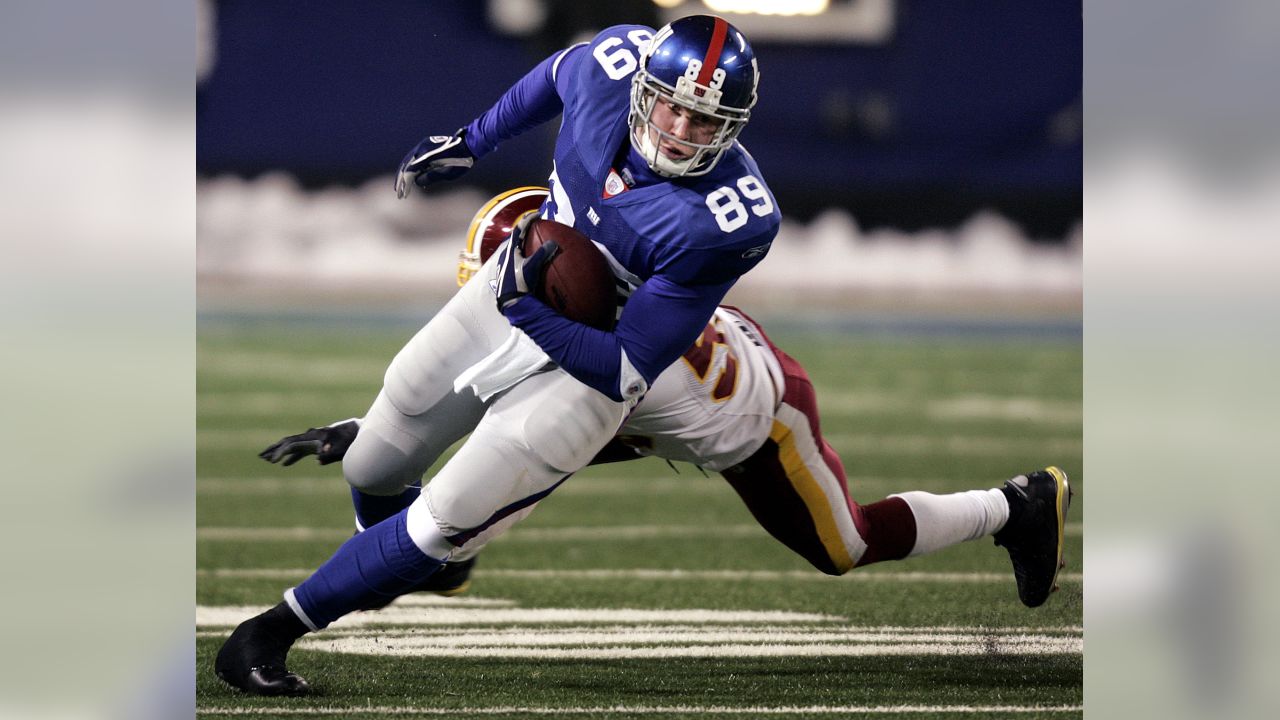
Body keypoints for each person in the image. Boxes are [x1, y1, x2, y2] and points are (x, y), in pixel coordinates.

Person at [218, 187, 1074, 697]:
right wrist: (367, 432)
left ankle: (1017, 506)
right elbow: (486, 401)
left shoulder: (606, 370)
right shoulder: (584, 301)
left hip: (757, 415)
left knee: (844, 545)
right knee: (466, 512)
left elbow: (482, 478)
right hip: (663, 378)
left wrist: (297, 615)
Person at [216, 15, 784, 696]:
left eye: (706, 121)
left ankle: (270, 633)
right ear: (643, 88)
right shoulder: (610, 66)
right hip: (523, 280)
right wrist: (473, 139)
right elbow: (554, 76)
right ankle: (430, 567)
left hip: (593, 365)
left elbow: (625, 368)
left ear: (734, 126)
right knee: (374, 458)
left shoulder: (728, 218)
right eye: (674, 107)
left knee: (442, 518)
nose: (683, 133)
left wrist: (524, 310)